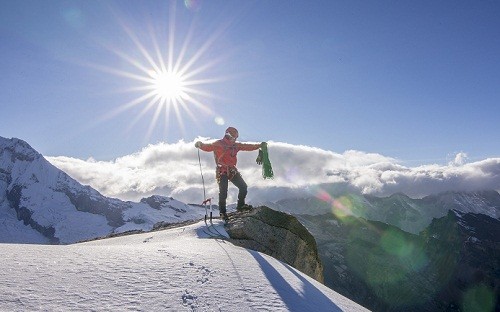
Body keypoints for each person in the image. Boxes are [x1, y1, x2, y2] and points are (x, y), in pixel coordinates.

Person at [195, 127, 265, 222]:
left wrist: (259, 145)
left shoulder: (235, 145)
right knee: (223, 192)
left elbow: (247, 146)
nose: (235, 139)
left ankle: (240, 206)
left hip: (231, 170)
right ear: (230, 136)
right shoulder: (218, 144)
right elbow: (208, 147)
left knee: (243, 187)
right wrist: (201, 145)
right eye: (234, 137)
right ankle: (223, 212)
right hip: (222, 171)